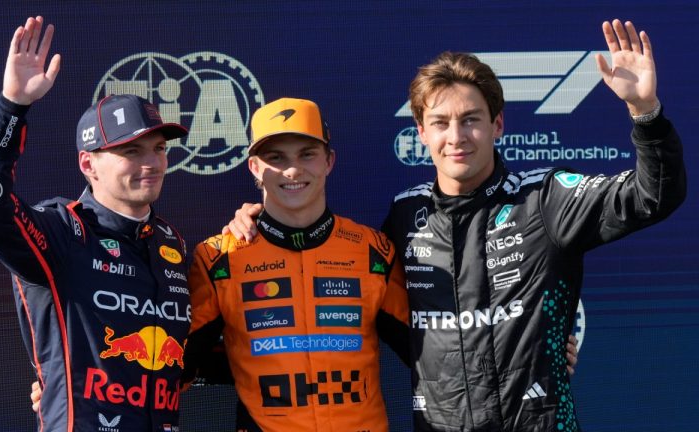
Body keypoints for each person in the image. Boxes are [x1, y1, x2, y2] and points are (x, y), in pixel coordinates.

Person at [225, 19, 683, 431]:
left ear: (498, 124)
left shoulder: (545, 197)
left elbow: (652, 196)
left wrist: (645, 112)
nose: (456, 137)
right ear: (421, 132)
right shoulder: (405, 216)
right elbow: (357, 295)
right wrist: (260, 227)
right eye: (440, 122)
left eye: (471, 121)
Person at [0, 16, 192, 431]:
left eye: (157, 148)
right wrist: (12, 106)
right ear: (89, 164)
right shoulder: (64, 232)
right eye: (131, 151)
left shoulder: (170, 242)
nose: (151, 162)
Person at [182, 97, 411, 432]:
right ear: (254, 167)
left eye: (307, 154)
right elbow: (177, 367)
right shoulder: (219, 259)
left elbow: (433, 355)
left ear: (329, 161)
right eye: (276, 157)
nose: (292, 170)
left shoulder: (372, 251)